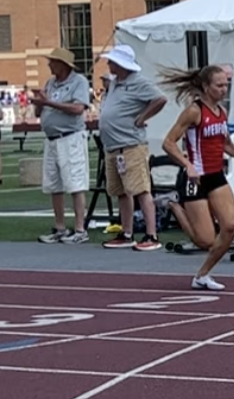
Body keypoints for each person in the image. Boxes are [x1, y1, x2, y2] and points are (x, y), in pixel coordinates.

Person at [160, 64, 234, 291]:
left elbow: (225, 144)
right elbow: (168, 143)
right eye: (219, 85)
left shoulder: (221, 112)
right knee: (205, 240)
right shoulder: (194, 111)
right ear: (206, 87)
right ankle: (175, 206)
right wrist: (188, 166)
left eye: (226, 85)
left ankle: (202, 275)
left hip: (215, 175)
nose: (224, 90)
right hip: (195, 178)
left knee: (230, 228)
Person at [97, 44, 168, 252]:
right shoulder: (115, 83)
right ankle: (127, 233)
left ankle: (151, 234)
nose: (108, 64)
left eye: (112, 61)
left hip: (130, 145)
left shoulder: (138, 82)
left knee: (140, 189)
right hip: (113, 146)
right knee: (121, 191)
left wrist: (143, 117)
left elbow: (160, 98)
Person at [34, 47, 93, 245]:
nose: (49, 65)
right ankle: (60, 227)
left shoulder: (79, 82)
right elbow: (39, 112)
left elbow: (78, 109)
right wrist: (39, 103)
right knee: (54, 184)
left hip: (71, 137)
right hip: (51, 138)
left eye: (53, 61)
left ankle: (79, 228)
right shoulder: (50, 83)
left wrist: (49, 103)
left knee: (76, 183)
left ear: (63, 65)